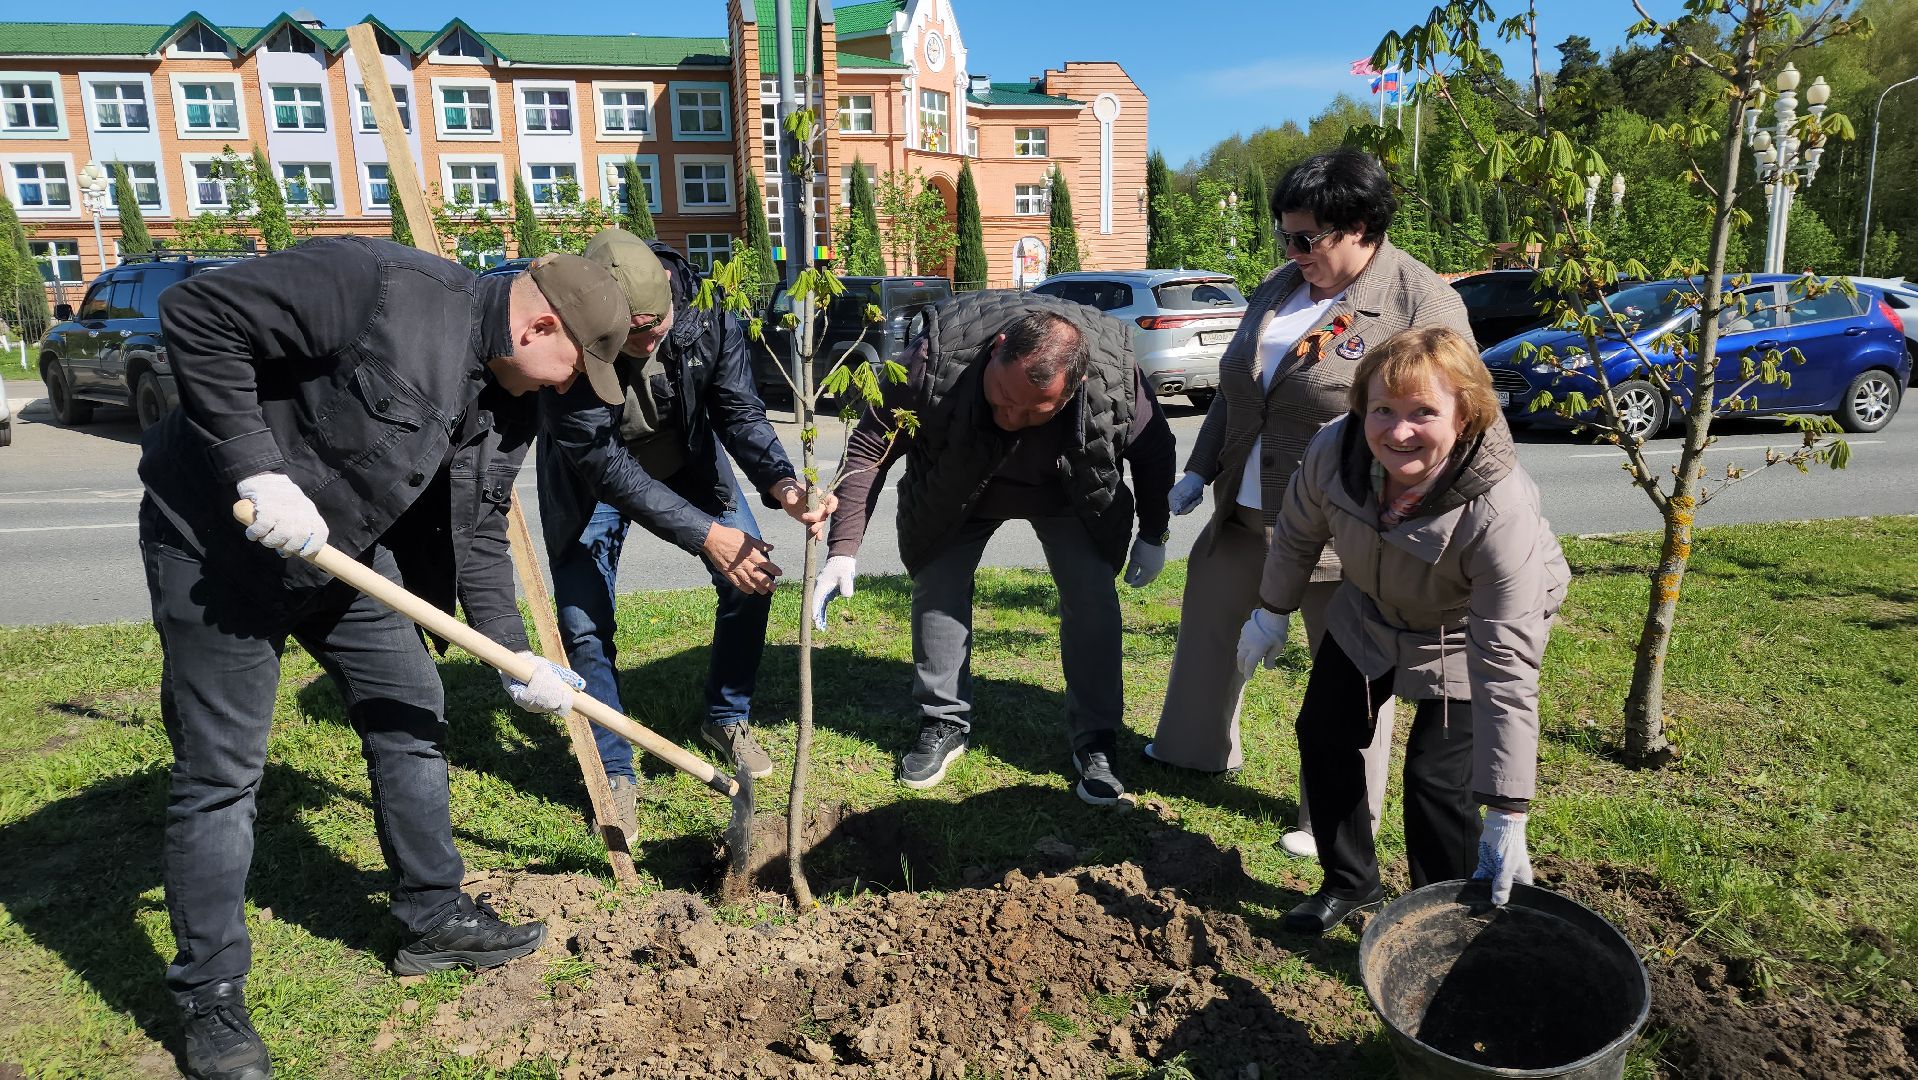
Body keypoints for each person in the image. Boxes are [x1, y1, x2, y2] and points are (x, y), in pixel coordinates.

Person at [138, 237, 630, 1080]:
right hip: (220, 541)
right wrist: (259, 471)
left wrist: (517, 658)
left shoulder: (510, 401)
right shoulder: (379, 285)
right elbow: (198, 315)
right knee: (224, 771)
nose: (572, 386)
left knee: (411, 705)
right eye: (575, 366)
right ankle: (209, 1000)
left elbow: (477, 537)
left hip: (341, 552)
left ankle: (434, 918)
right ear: (539, 324)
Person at [1146, 147, 1473, 859]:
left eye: (1307, 238)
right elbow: (1241, 393)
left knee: (1348, 674)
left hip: (1350, 527)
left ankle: (1333, 814)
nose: (1292, 252)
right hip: (1246, 508)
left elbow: (1457, 422)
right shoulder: (1277, 287)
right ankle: (1193, 748)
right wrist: (1199, 472)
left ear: (1360, 226)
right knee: (1210, 623)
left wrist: (1413, 519)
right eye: (1283, 235)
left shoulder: (1422, 302)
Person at [1239, 326, 1570, 935]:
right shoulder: (1334, 452)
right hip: (1371, 610)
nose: (1398, 431)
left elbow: (1506, 669)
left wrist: (1508, 809)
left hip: (1463, 630)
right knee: (1325, 731)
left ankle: (1443, 923)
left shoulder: (1499, 512)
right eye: (1383, 409)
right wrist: (1271, 610)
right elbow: (1297, 531)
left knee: (1436, 778)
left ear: (1465, 414)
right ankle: (1350, 882)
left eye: (1424, 412)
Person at [813, 291, 1175, 805]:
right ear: (998, 348)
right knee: (937, 586)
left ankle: (1096, 737)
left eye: (1034, 411)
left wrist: (1154, 531)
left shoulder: (1112, 370)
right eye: (1002, 399)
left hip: (1067, 492)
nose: (1011, 418)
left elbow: (1154, 447)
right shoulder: (934, 358)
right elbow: (872, 443)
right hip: (957, 485)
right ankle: (943, 721)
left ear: (1074, 387)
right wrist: (843, 549)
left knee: (1093, 597)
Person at [538, 228, 833, 838]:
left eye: (660, 322)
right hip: (593, 478)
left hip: (689, 461)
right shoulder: (570, 338)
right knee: (583, 623)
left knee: (751, 579)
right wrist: (707, 537)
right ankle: (614, 766)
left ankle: (726, 717)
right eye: (636, 334)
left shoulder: (706, 308)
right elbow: (607, 468)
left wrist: (782, 483)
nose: (653, 340)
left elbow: (738, 409)